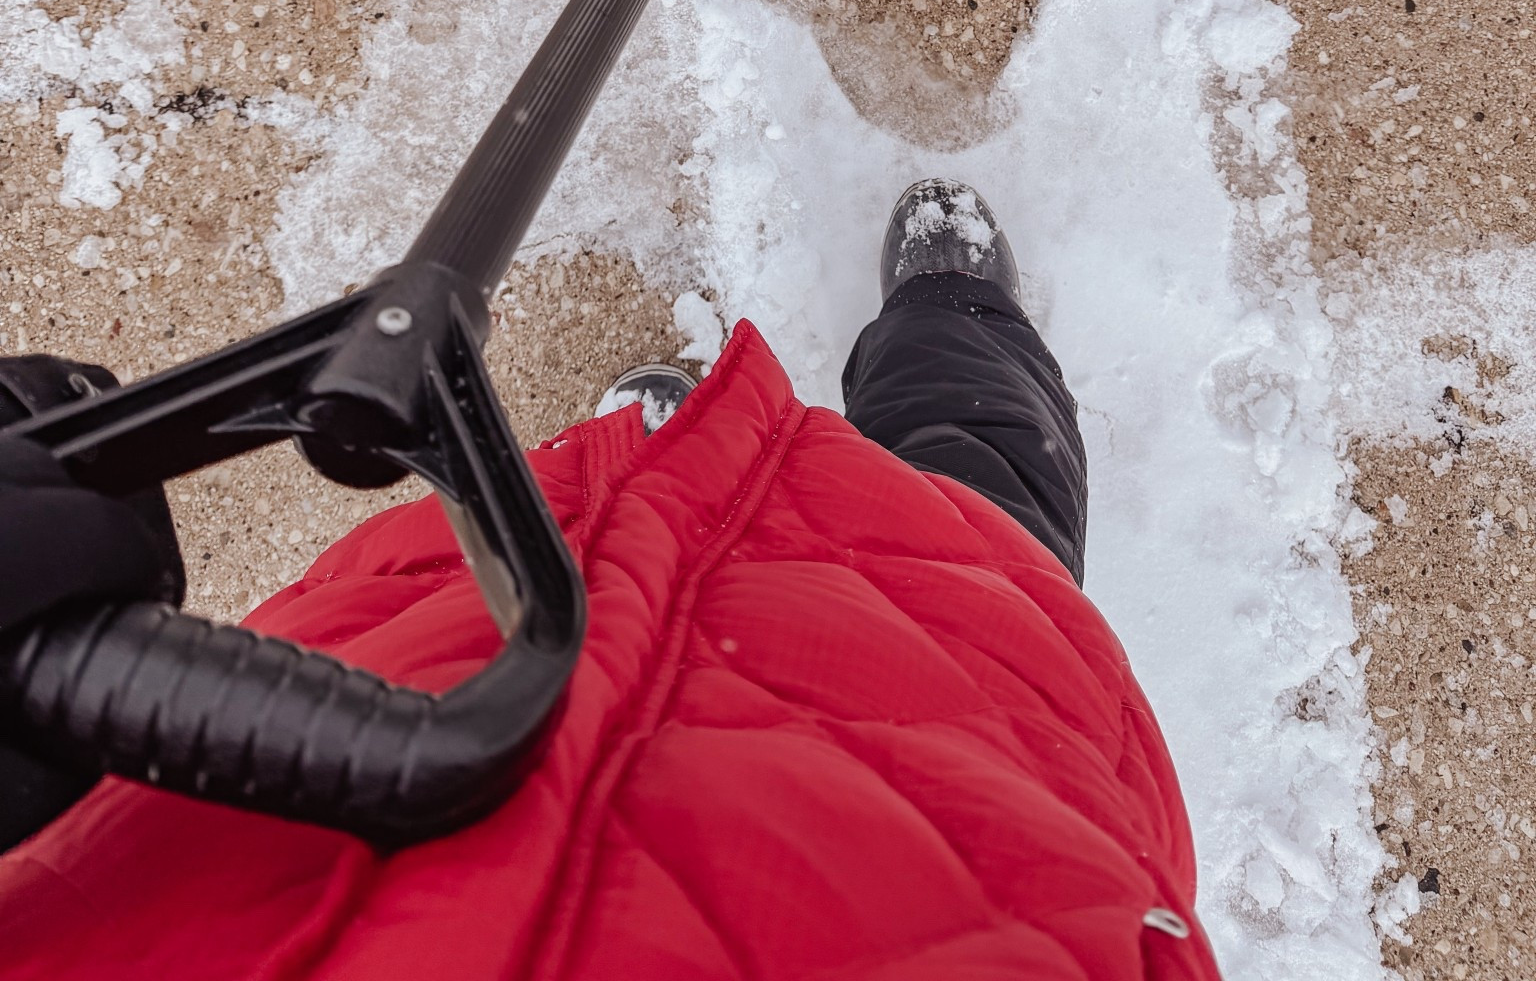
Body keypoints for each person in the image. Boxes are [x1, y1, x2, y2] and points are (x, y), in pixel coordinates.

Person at [0, 181, 1217, 978]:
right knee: (969, 481)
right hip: (950, 754)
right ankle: (952, 313)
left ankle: (655, 461)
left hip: (395, 691)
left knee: (570, 519)